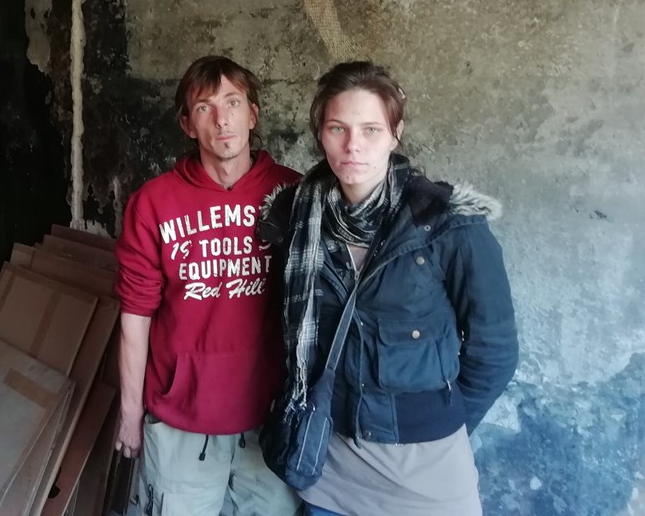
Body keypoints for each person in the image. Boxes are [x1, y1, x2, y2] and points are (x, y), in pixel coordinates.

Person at [259, 61, 518, 516]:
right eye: (337, 128)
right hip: (327, 469)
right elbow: (285, 332)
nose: (353, 145)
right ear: (320, 134)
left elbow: (494, 352)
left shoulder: (446, 224)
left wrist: (441, 426)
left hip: (427, 474)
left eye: (371, 129)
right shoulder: (296, 218)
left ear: (396, 133)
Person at [114, 55, 303, 516]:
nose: (221, 119)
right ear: (187, 124)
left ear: (252, 115)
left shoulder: (294, 195)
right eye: (204, 107)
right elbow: (136, 316)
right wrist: (131, 413)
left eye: (233, 103)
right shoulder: (153, 203)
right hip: (181, 420)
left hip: (270, 418)